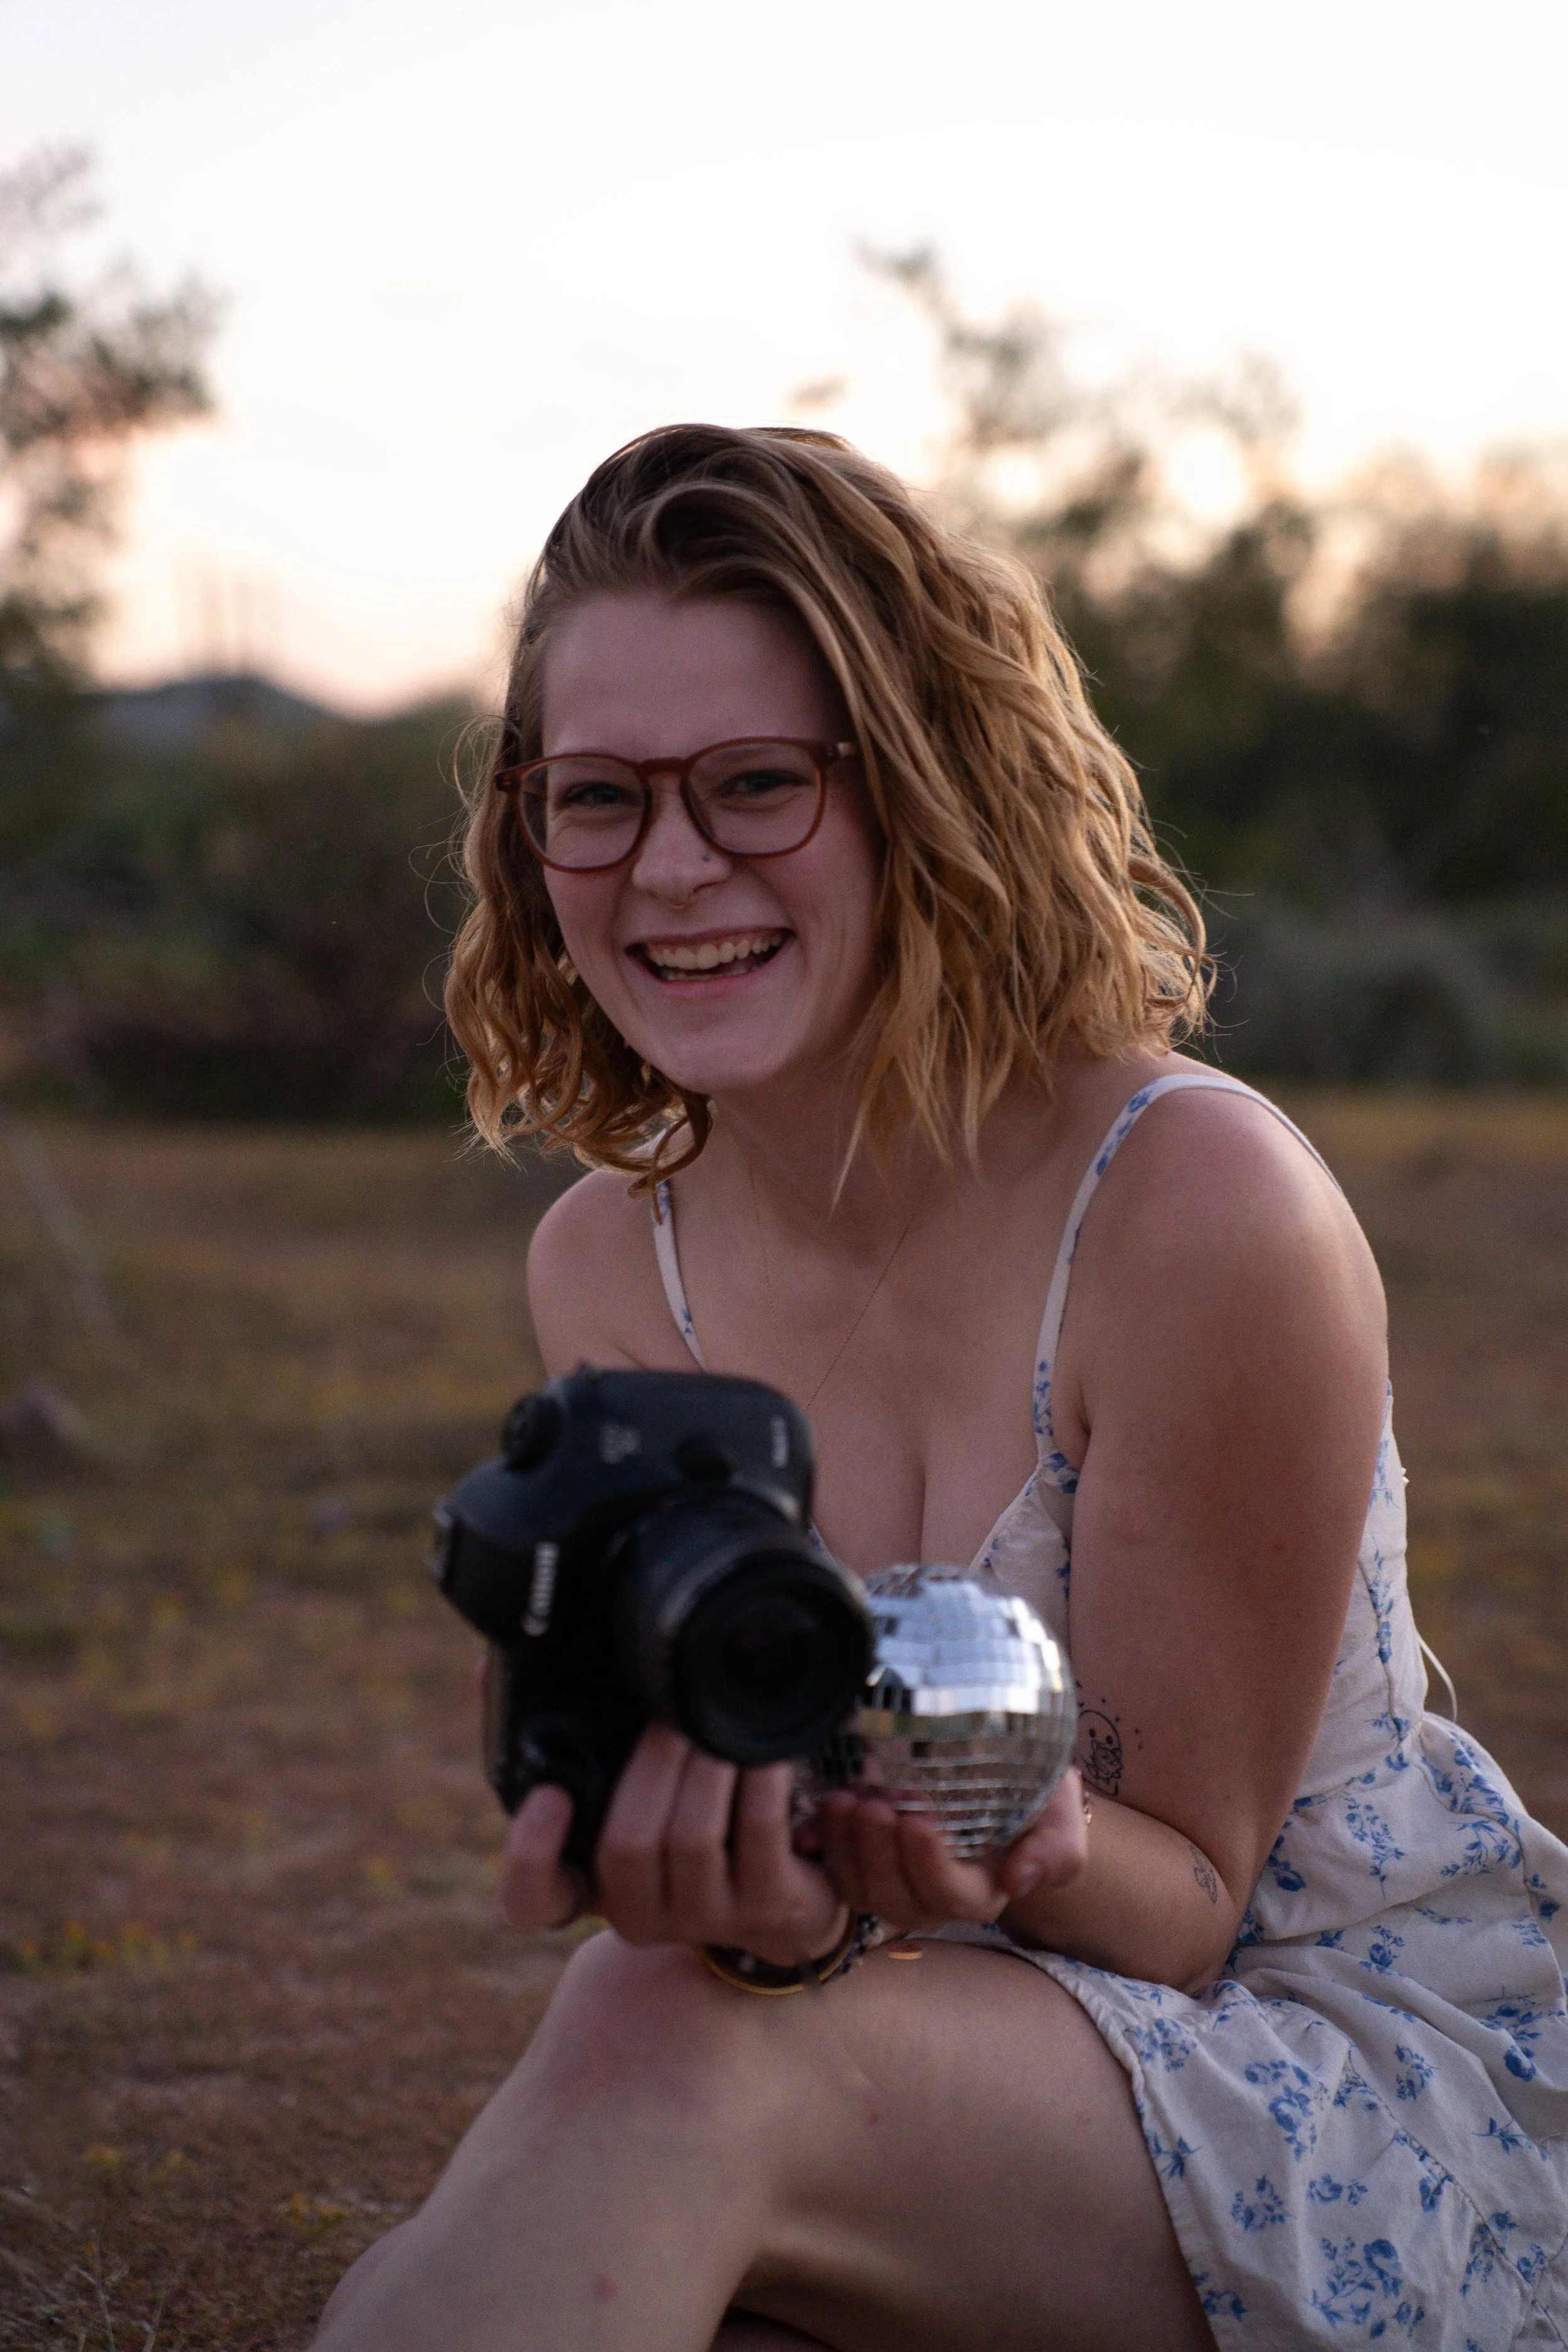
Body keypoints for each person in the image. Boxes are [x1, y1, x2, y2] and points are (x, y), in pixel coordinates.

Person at [317, 425, 1568, 2351]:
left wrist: (994, 1847)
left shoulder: (1190, 1205)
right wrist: (749, 1875)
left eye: (754, 782)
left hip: (1323, 2058)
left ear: (923, 782)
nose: (669, 865)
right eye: (597, 797)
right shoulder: (605, 1262)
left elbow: (1186, 1900)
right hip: (935, 2035)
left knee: (655, 2050)